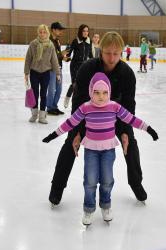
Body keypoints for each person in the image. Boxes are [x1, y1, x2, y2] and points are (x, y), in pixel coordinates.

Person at [48, 31, 150, 206]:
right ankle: (57, 188)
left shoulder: (127, 73)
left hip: (116, 116)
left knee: (130, 144)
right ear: (100, 51)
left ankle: (136, 183)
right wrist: (79, 131)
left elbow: (129, 106)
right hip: (88, 116)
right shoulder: (87, 68)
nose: (111, 58)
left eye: (116, 54)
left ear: (121, 53)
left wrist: (125, 131)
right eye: (108, 53)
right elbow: (78, 102)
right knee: (71, 142)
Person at [43, 72, 158, 225]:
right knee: (90, 181)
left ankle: (106, 206)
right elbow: (70, 123)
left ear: (109, 92)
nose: (101, 97)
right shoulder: (86, 108)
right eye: (96, 93)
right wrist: (53, 135)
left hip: (108, 151)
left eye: (104, 93)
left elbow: (132, 119)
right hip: (91, 150)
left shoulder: (114, 107)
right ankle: (89, 209)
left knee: (107, 180)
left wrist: (149, 130)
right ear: (91, 91)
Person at [24, 24, 60, 124]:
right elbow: (28, 59)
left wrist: (57, 73)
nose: (42, 34)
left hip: (46, 73)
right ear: (38, 32)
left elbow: (54, 60)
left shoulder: (50, 45)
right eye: (40, 32)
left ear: (47, 33)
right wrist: (26, 73)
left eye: (44, 32)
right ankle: (34, 114)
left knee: (43, 94)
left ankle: (42, 116)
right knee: (35, 94)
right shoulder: (33, 44)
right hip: (34, 72)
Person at [63, 24, 93, 108]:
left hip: (84, 66)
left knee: (84, 85)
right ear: (80, 31)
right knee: (74, 84)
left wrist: (94, 62)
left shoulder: (89, 41)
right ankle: (68, 98)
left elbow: (90, 54)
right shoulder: (75, 41)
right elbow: (69, 53)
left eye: (87, 31)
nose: (86, 32)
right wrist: (66, 54)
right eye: (84, 31)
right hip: (75, 65)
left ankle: (81, 103)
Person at [47, 21, 68, 116]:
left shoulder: (57, 41)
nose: (61, 32)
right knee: (51, 89)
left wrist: (64, 57)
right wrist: (61, 54)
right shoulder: (48, 41)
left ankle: (54, 106)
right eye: (59, 30)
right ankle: (50, 107)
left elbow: (58, 55)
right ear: (53, 30)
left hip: (59, 68)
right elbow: (50, 56)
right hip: (51, 69)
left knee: (59, 89)